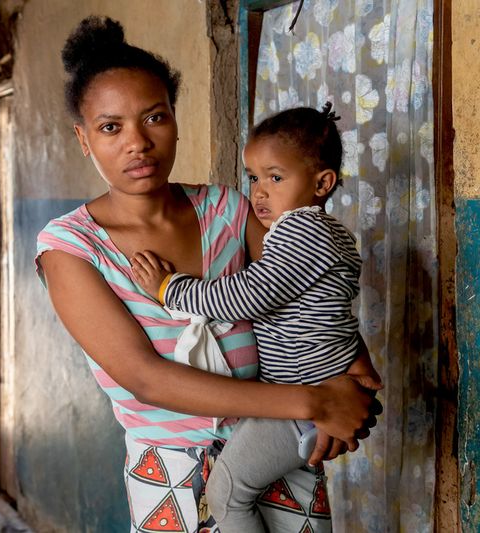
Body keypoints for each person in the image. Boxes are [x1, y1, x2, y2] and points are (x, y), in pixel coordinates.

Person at [35, 16, 381, 532]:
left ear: (175, 119)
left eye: (154, 118)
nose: (138, 142)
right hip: (171, 472)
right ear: (84, 139)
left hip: (275, 452)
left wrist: (351, 374)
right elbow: (145, 379)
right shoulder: (71, 247)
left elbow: (305, 294)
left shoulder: (229, 210)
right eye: (111, 127)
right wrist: (316, 400)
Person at [131, 104, 380, 532]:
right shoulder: (331, 232)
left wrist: (170, 288)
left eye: (276, 178)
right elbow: (328, 310)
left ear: (322, 183)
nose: (260, 192)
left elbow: (247, 296)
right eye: (253, 177)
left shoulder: (302, 232)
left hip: (305, 400)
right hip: (312, 394)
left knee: (227, 491)